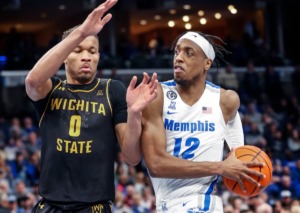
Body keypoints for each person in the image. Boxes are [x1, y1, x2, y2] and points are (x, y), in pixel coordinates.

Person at [24, 0, 158, 212]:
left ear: (98, 56)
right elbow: (32, 81)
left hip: (94, 207)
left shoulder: (112, 89)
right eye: (77, 50)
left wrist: (134, 114)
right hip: (49, 206)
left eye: (92, 51)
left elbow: (132, 158)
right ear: (65, 57)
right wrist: (81, 32)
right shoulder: (51, 90)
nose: (86, 57)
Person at [141, 31, 265, 213]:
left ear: (207, 63)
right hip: (166, 205)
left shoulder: (226, 101)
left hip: (205, 203)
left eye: (188, 53)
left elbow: (239, 156)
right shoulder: (157, 95)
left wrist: (241, 171)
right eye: (177, 52)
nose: (179, 58)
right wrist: (221, 167)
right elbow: (156, 165)